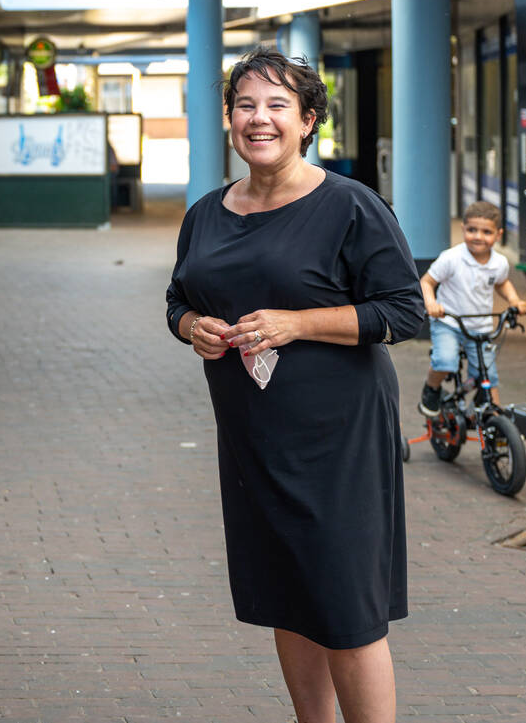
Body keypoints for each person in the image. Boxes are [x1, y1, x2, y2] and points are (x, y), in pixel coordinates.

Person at [165, 46, 424, 723]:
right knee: (289, 591)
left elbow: (402, 313)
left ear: (308, 120)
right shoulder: (207, 212)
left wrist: (297, 323)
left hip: (340, 441)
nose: (260, 118)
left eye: (278, 105)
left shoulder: (350, 205)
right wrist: (190, 322)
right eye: (246, 104)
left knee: (346, 606)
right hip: (255, 439)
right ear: (229, 117)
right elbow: (176, 298)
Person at [418, 201, 526, 413]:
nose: (478, 236)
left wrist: (515, 301)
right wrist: (432, 303)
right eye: (472, 230)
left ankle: (495, 417)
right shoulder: (451, 258)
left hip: (480, 326)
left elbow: (502, 282)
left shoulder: (499, 262)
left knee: (488, 373)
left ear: (499, 234)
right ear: (463, 229)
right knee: (445, 361)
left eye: (486, 232)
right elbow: (426, 282)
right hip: (449, 322)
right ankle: (431, 389)